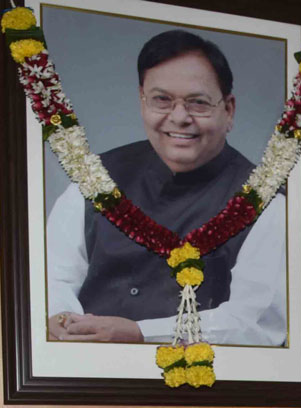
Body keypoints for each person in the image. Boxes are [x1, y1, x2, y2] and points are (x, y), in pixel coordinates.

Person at [45, 29, 286, 346]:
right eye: (162, 100)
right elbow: (52, 280)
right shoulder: (93, 179)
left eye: (197, 103)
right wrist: (62, 321)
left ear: (229, 110)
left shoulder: (266, 202)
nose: (179, 117)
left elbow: (256, 325)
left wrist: (139, 333)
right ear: (142, 101)